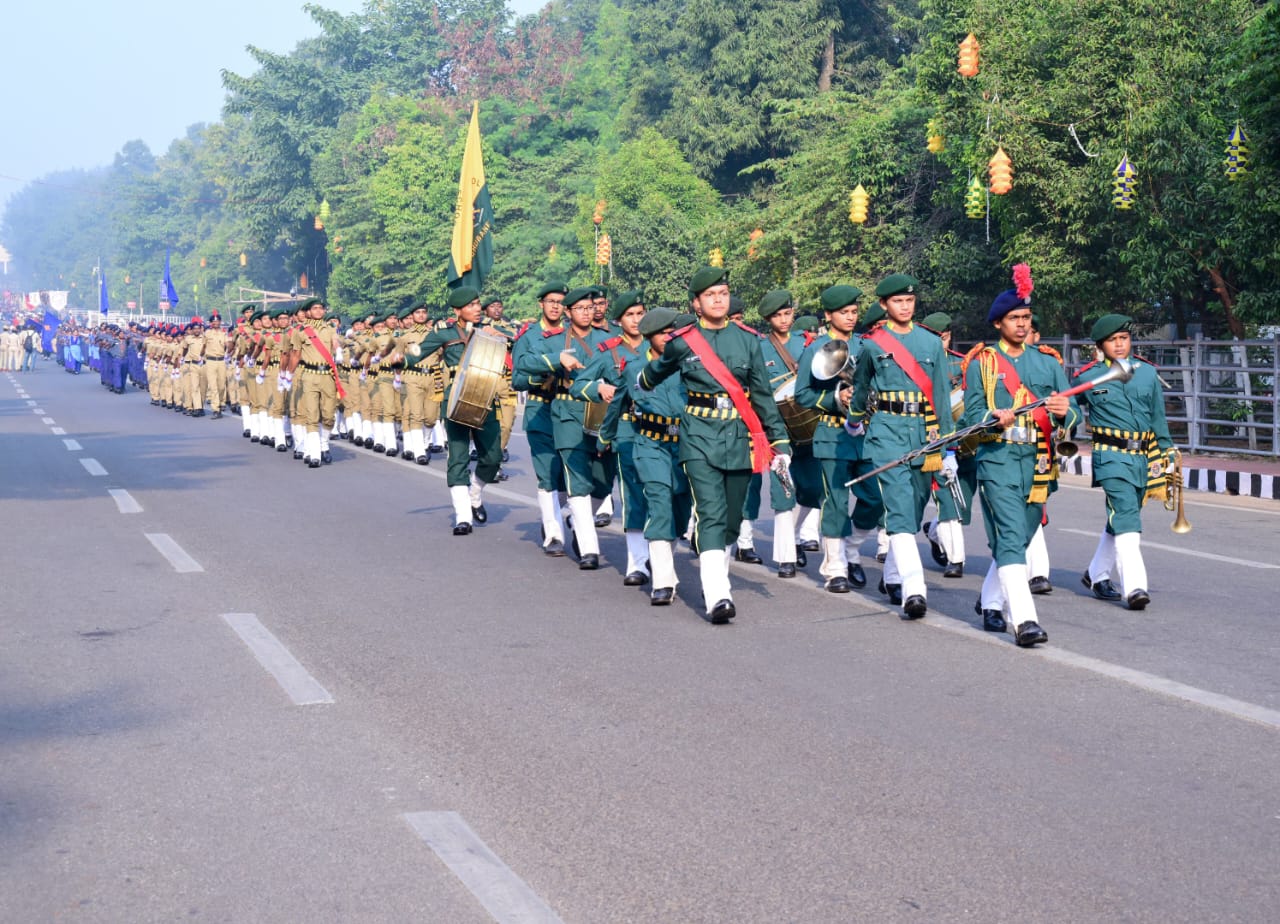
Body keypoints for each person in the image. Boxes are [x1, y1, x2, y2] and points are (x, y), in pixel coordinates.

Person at [636, 266, 792, 623]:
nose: (718, 299)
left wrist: (779, 441)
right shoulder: (683, 341)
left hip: (739, 437)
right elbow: (654, 372)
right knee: (711, 511)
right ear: (696, 303)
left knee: (732, 521)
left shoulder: (748, 340)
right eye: (710, 295)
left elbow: (764, 397)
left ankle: (713, 567)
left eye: (723, 293)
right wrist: (642, 384)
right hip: (698, 437)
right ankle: (718, 594)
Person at [961, 268, 1080, 645]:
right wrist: (992, 418)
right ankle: (1025, 621)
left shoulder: (1047, 361)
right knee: (1011, 535)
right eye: (1015, 318)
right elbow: (971, 416)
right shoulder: (984, 363)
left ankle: (991, 602)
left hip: (1040, 460)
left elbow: (1072, 411)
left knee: (1023, 536)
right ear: (999, 323)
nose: (1022, 324)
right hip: (998, 457)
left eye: (1026, 318)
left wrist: (1064, 413)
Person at [848, 274, 953, 619]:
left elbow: (940, 393)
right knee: (897, 508)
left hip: (925, 434)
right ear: (884, 305)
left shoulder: (931, 343)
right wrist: (854, 419)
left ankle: (892, 576)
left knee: (915, 507)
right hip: (886, 432)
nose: (905, 307)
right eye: (897, 301)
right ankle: (914, 590)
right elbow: (861, 386)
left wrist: (947, 446)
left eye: (909, 301)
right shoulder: (873, 343)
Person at [1074, 313, 1175, 611]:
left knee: (1120, 516)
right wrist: (1063, 416)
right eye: (1112, 340)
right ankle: (1134, 587)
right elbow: (1068, 408)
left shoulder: (1146, 373)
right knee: (1128, 516)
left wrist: (1167, 451)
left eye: (1124, 338)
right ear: (1100, 345)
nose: (1119, 344)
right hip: (1111, 457)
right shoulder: (1088, 377)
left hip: (1143, 458)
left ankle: (1095, 574)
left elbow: (1158, 417)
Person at [515, 286, 617, 568]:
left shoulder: (608, 340)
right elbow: (521, 369)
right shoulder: (552, 341)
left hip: (600, 415)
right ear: (570, 313)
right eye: (579, 308)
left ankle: (574, 518)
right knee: (565, 477)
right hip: (563, 413)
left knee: (603, 480)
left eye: (590, 307)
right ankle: (581, 546)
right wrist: (553, 363)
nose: (587, 312)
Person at [794, 284, 884, 593]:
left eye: (854, 312)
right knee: (835, 501)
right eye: (843, 312)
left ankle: (851, 548)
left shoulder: (866, 345)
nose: (850, 317)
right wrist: (837, 396)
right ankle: (835, 569)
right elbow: (802, 394)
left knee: (875, 498)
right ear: (829, 315)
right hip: (833, 433)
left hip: (868, 434)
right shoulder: (816, 349)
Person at [405, 287, 504, 534]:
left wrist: (500, 336)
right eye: (471, 305)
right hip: (456, 400)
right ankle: (463, 517)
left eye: (478, 304)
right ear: (458, 311)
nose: (478, 309)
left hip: (486, 400)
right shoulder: (444, 334)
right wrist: (402, 357)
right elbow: (420, 351)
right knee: (458, 457)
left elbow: (514, 348)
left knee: (492, 458)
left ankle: (475, 494)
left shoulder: (489, 331)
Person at [746, 289, 823, 578]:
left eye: (787, 313)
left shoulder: (808, 344)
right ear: (768, 319)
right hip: (778, 429)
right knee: (783, 491)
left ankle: (792, 535)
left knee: (814, 490)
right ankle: (785, 556)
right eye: (777, 315)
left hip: (810, 426)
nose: (784, 319)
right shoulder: (759, 348)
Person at [622, 307, 692, 604]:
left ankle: (662, 559)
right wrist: (605, 438)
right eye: (664, 333)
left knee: (681, 511)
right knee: (659, 504)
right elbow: (622, 403)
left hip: (686, 446)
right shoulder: (635, 368)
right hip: (650, 444)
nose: (670, 337)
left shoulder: (689, 366)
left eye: (673, 332)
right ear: (650, 337)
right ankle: (662, 581)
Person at [593, 289, 650, 584]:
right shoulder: (609, 351)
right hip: (627, 429)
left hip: (663, 430)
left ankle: (660, 553)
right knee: (632, 496)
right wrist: (597, 389)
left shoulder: (659, 346)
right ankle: (637, 563)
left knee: (663, 493)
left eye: (641, 313)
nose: (637, 320)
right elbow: (582, 384)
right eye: (630, 315)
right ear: (619, 320)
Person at [511, 282, 571, 556]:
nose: (556, 305)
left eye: (560, 301)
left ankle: (559, 516)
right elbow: (518, 379)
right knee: (547, 473)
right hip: (540, 410)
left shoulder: (574, 334)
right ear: (541, 305)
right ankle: (554, 535)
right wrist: (542, 375)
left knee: (566, 477)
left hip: (570, 411)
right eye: (551, 301)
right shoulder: (529, 336)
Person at [918, 311, 973, 579]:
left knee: (964, 505)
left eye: (941, 336)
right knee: (947, 497)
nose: (938, 341)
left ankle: (933, 530)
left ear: (949, 336)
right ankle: (956, 559)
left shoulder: (962, 365)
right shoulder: (917, 363)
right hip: (933, 438)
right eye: (932, 336)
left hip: (965, 437)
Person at [203, 313, 230, 418]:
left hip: (221, 361)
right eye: (213, 321)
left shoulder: (224, 334)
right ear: (211, 323)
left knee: (221, 386)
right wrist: (201, 357)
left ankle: (220, 402)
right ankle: (216, 409)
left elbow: (227, 346)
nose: (215, 323)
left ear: (220, 322)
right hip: (210, 361)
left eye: (217, 321)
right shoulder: (207, 333)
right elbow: (204, 346)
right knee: (213, 386)